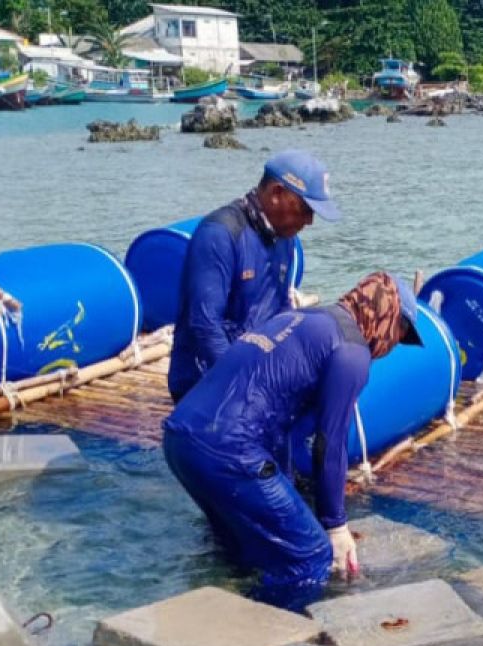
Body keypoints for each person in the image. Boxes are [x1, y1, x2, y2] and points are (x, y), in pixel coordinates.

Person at [163, 272, 424, 608]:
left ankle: (210, 621)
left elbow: (282, 427)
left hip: (180, 440)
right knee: (310, 558)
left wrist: (287, 490)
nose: (393, 345)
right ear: (388, 314)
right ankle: (268, 641)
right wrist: (335, 525)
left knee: (241, 551)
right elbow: (330, 444)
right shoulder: (351, 350)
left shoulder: (302, 318)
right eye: (400, 333)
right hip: (230, 451)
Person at [168, 149, 341, 401]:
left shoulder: (285, 239)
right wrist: (244, 386)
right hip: (205, 381)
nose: (310, 221)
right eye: (305, 209)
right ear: (276, 194)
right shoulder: (219, 236)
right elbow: (204, 326)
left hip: (257, 372)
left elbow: (281, 310)